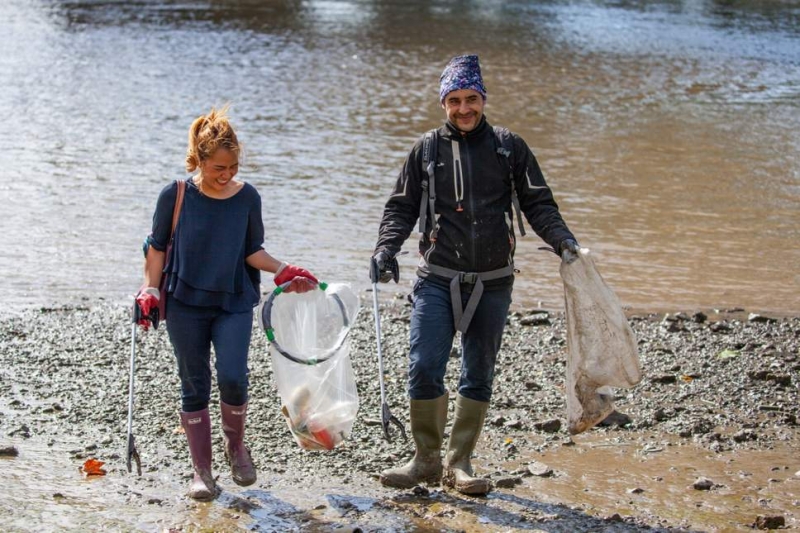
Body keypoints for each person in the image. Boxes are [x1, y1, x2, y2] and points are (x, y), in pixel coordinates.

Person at [371, 55, 580, 496]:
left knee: (478, 372)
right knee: (424, 365)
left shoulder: (509, 147)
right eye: (454, 100)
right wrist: (385, 249)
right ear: (443, 103)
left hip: (494, 281)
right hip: (436, 278)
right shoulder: (426, 150)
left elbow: (539, 203)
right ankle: (426, 459)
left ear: (483, 99)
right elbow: (400, 207)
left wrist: (563, 240)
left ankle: (460, 462)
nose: (463, 108)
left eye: (471, 99)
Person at [135, 106, 318, 501]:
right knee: (193, 382)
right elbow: (157, 247)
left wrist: (283, 270)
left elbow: (252, 250)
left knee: (233, 376)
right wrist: (150, 290)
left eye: (233, 166)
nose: (227, 174)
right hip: (184, 301)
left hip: (232, 300)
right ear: (199, 160)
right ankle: (201, 471)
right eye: (219, 167)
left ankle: (236, 447)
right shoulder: (175, 195)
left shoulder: (247, 197)